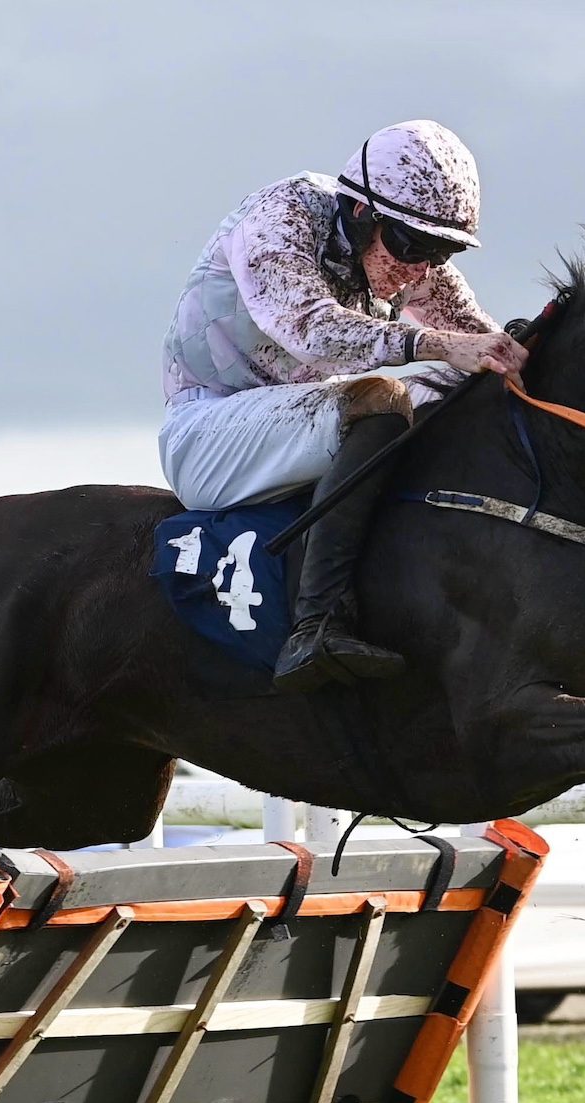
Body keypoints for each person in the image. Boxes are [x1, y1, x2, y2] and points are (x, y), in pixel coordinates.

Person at [160, 120, 528, 693]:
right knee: (382, 399)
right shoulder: (283, 216)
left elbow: (477, 341)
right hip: (209, 436)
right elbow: (310, 330)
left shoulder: (408, 259)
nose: (421, 269)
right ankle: (317, 625)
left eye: (444, 251)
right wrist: (437, 345)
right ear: (361, 213)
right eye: (411, 246)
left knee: (457, 399)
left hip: (300, 428)